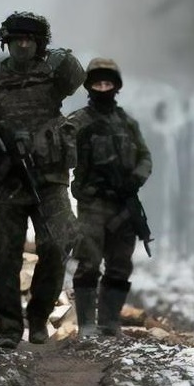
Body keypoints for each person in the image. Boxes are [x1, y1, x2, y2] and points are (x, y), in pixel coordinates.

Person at [0, 11, 84, 349]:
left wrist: (60, 57)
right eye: (17, 39)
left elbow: (78, 73)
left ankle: (38, 317)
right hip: (8, 182)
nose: (23, 45)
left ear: (39, 44)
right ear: (6, 42)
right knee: (6, 255)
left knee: (56, 245)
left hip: (50, 179)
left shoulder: (52, 77)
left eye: (31, 40)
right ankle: (9, 328)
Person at [67, 58, 153, 338]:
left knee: (120, 264)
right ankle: (87, 325)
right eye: (97, 83)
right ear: (89, 87)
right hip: (93, 203)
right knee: (89, 261)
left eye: (108, 83)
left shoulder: (127, 122)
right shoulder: (79, 122)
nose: (103, 88)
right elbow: (61, 154)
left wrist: (134, 180)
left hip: (123, 205)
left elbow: (145, 157)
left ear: (116, 86)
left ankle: (110, 323)